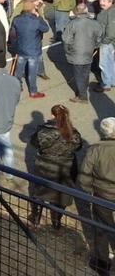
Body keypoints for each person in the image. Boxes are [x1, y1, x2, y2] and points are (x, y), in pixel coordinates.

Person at [27, 104, 82, 229]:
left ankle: (36, 219)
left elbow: (34, 143)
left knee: (40, 192)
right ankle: (56, 223)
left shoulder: (43, 130)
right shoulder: (73, 133)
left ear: (52, 115)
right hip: (65, 168)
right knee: (61, 196)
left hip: (44, 166)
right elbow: (79, 147)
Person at [78, 117, 115, 275]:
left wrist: (87, 192)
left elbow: (84, 176)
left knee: (101, 228)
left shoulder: (95, 149)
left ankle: (102, 263)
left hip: (102, 194)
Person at [9, 0, 50, 98]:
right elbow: (46, 29)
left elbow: (13, 34)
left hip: (20, 49)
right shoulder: (36, 20)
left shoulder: (16, 19)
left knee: (18, 70)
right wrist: (39, 17)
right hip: (33, 50)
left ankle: (17, 86)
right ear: (32, 9)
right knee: (32, 73)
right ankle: (33, 91)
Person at [64, 3, 104, 104]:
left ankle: (82, 96)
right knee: (85, 73)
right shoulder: (94, 23)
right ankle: (82, 92)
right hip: (89, 51)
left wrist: (68, 51)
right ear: (86, 11)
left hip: (76, 52)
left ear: (77, 12)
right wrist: (95, 46)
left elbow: (66, 40)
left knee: (78, 75)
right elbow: (100, 37)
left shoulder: (72, 23)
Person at [97, 0, 115, 93]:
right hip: (109, 41)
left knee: (104, 63)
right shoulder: (108, 11)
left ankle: (106, 84)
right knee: (111, 62)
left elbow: (111, 30)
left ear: (110, 2)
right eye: (100, 0)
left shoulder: (111, 12)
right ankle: (111, 81)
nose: (101, 3)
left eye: (104, 1)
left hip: (107, 41)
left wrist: (105, 41)